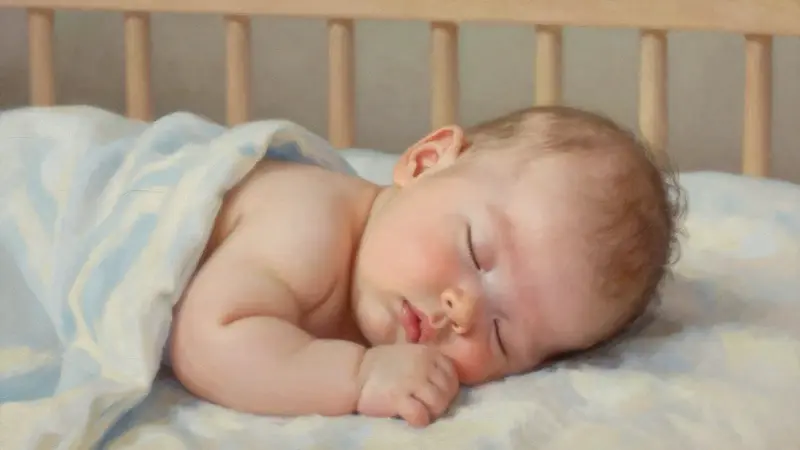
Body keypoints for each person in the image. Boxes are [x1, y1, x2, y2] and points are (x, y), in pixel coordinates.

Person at [167, 105, 682, 427]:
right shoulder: (309, 225)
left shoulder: (375, 275)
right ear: (424, 162)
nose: (464, 313)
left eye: (501, 337)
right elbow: (207, 340)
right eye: (476, 253)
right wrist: (358, 377)